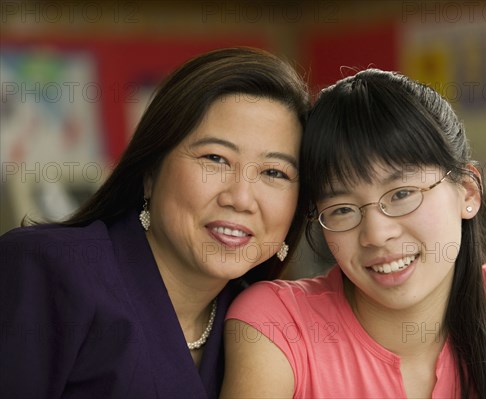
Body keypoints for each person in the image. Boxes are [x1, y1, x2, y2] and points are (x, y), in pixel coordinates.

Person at [221, 69, 486, 398]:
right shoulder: (276, 325)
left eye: (401, 194)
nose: (376, 235)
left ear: (467, 192)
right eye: (342, 209)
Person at [0, 47, 309, 398]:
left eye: (274, 172)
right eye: (216, 158)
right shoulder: (44, 270)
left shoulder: (263, 325)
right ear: (151, 170)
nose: (240, 197)